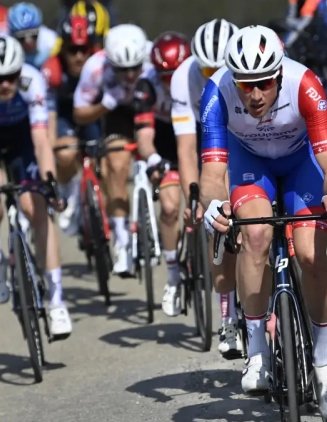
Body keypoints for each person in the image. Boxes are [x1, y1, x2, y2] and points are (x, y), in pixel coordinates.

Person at [201, 25, 327, 422]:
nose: (254, 95)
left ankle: (325, 355)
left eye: (264, 84)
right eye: (245, 84)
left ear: (280, 75)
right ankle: (257, 352)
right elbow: (213, 171)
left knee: (309, 253)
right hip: (251, 165)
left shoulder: (305, 83)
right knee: (255, 234)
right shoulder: (217, 92)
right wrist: (214, 205)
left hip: (302, 163)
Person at [0, 35, 73, 337]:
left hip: (23, 138)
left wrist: (49, 182)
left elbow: (41, 139)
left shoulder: (32, 81)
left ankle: (57, 301)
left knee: (37, 206)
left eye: (11, 76)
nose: (6, 84)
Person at [169, 18, 245, 357]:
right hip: (209, 139)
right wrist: (195, 198)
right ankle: (227, 315)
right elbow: (186, 147)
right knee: (215, 216)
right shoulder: (182, 78)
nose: (212, 75)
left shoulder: (246, 71)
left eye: (220, 68)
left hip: (243, 134)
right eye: (206, 70)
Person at [73, 24, 150, 278]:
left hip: (149, 110)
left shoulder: (153, 60)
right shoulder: (95, 68)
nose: (129, 75)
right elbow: (79, 114)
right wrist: (105, 105)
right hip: (115, 113)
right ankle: (122, 240)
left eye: (135, 68)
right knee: (116, 165)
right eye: (122, 70)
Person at [131, 31, 190, 317]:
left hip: (197, 139)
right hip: (165, 142)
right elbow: (144, 135)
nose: (169, 81)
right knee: (169, 206)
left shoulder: (196, 79)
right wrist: (154, 159)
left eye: (173, 74)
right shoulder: (147, 84)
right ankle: (173, 275)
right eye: (163, 75)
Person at [42, 11, 104, 235]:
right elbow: (48, 114)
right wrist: (49, 149)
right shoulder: (52, 71)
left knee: (104, 161)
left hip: (91, 114)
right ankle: (68, 187)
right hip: (64, 115)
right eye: (73, 50)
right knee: (66, 152)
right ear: (63, 49)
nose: (79, 57)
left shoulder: (102, 65)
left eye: (84, 50)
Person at [7, 3, 57, 70]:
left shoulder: (52, 41)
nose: (28, 41)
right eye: (22, 37)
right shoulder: (7, 42)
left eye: (33, 35)